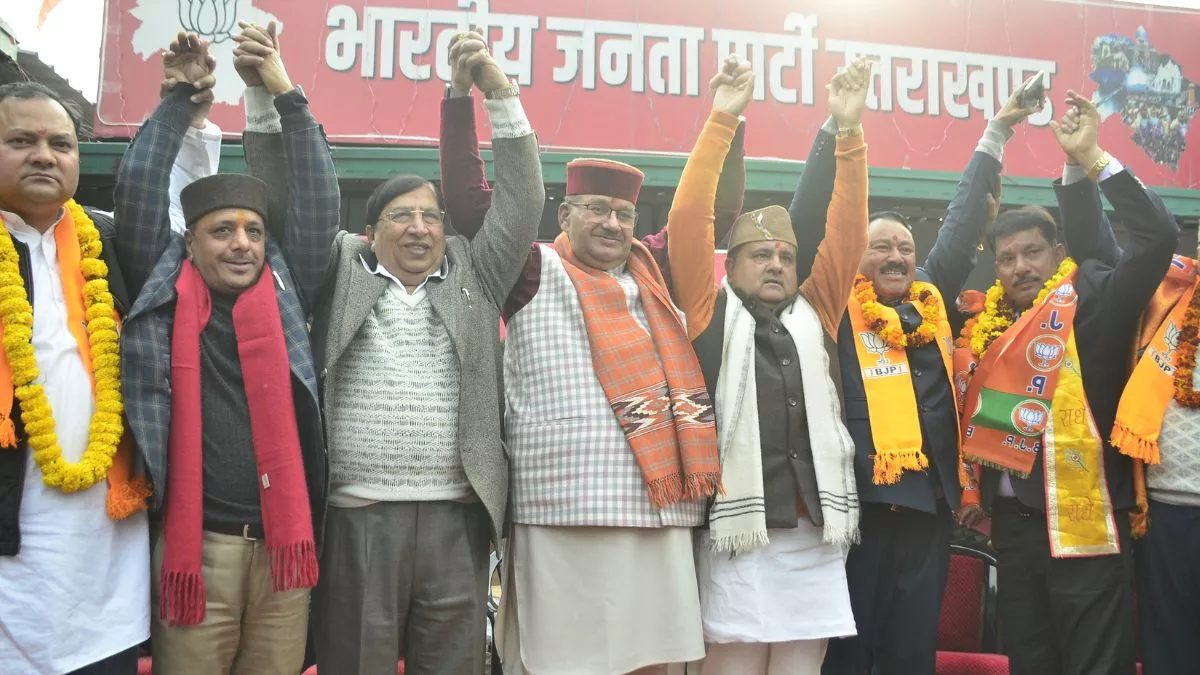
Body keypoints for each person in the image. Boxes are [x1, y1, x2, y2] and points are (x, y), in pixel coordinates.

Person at [308, 33, 544, 674]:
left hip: (455, 516)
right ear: (371, 231)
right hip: (356, 516)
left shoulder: (477, 271)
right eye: (401, 216)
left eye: (432, 217)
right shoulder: (339, 266)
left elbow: (523, 201)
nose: (420, 227)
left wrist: (497, 94)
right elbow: (301, 208)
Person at [114, 26, 340, 674]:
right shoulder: (164, 290)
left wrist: (286, 95)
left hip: (285, 552)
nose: (241, 243)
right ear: (189, 242)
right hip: (195, 551)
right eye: (222, 231)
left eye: (253, 230)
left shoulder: (286, 289)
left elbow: (319, 201)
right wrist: (179, 103)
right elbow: (137, 191)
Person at [821, 84, 1042, 675]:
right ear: (854, 257)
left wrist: (997, 131)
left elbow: (963, 219)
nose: (896, 256)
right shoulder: (836, 305)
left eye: (905, 247)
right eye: (880, 247)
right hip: (859, 508)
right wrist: (842, 129)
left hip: (928, 509)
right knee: (846, 654)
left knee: (911, 655)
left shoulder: (932, 300)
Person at [955, 91, 1178, 675]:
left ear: (1057, 253)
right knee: (1030, 663)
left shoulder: (1096, 301)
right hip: (1014, 532)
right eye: (1007, 258)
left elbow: (1156, 237)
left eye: (1033, 252)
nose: (1021, 267)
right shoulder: (990, 325)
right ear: (996, 268)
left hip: (1088, 525)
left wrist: (1090, 159)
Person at [672, 58, 871, 673]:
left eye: (785, 256)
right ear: (730, 266)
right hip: (738, 534)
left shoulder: (819, 310)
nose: (777, 264)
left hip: (815, 535)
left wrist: (849, 131)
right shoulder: (708, 313)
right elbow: (688, 219)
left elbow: (848, 233)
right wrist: (722, 118)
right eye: (760, 255)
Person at [0, 80, 149, 674]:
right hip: (14, 537)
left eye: (60, 143)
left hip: (106, 549)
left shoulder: (108, 241)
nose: (44, 155)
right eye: (21, 141)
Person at [1053, 103, 1193, 675]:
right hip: (1166, 513)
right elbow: (1098, 253)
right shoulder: (1163, 295)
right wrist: (1082, 161)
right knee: (1170, 653)